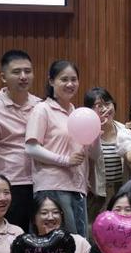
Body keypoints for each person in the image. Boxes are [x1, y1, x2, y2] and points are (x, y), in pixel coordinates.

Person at [25, 60, 94, 237]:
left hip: (77, 188)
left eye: (74, 79)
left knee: (80, 244)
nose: (70, 84)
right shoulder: (42, 109)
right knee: (60, 246)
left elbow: (91, 154)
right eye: (64, 79)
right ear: (51, 81)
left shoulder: (78, 113)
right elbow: (31, 148)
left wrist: (97, 134)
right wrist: (65, 160)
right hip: (52, 186)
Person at [0, 49, 41, 231]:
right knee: (11, 242)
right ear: (3, 77)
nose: (23, 76)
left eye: (28, 71)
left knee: (37, 243)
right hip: (10, 188)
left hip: (40, 184)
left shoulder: (40, 106)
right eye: (16, 72)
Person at [84, 87, 131, 221]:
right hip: (97, 195)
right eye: (98, 106)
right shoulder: (86, 133)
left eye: (107, 104)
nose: (104, 109)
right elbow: (94, 156)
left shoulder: (125, 131)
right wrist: (97, 129)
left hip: (122, 192)